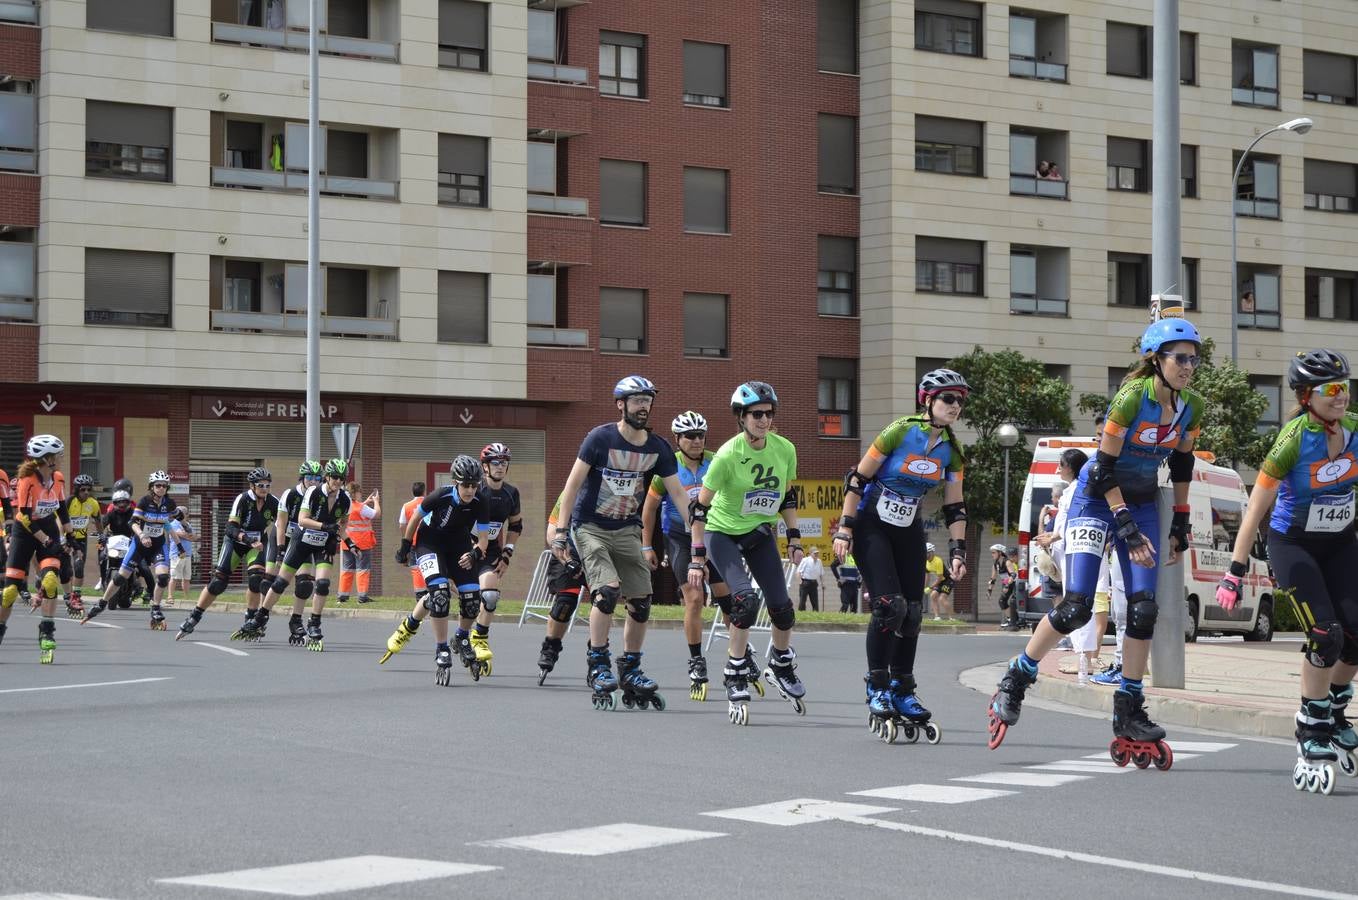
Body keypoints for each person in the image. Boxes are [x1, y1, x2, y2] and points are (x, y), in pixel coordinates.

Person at [988, 315, 1205, 770]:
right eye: (1180, 358)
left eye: (1194, 358)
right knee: (1077, 607)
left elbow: (1182, 467)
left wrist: (1180, 522)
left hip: (1143, 499)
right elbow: (1103, 469)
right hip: (1094, 498)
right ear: (1155, 359)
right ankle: (1016, 677)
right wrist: (1123, 524)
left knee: (1144, 608)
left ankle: (1129, 706)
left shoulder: (1191, 407)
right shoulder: (1130, 400)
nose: (1189, 366)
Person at [1217, 350, 1358, 794]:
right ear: (1305, 397)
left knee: (1356, 635)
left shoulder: (1354, 431)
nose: (1341, 396)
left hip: (1339, 542)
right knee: (1325, 634)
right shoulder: (1294, 438)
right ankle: (1311, 725)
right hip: (1292, 543)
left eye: (1345, 387)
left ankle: (1334, 707)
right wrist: (1235, 570)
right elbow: (1256, 505)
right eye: (1330, 390)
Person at [835, 368, 968, 744]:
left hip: (908, 523)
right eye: (948, 399)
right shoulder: (899, 431)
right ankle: (876, 684)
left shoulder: (952, 451)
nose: (955, 406)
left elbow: (955, 508)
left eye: (959, 400)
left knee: (912, 611)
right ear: (927, 401)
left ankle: (902, 689)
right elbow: (857, 479)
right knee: (888, 606)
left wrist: (957, 550)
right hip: (871, 523)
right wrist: (845, 528)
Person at [553, 375, 695, 711]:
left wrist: (702, 534)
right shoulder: (599, 439)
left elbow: (677, 494)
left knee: (641, 600)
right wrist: (561, 531)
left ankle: (630, 667)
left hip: (627, 529)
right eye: (637, 400)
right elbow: (572, 486)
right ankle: (598, 662)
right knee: (607, 592)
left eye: (648, 400)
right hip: (590, 527)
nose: (643, 406)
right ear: (621, 404)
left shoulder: (657, 447)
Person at [689, 380, 806, 725]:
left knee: (783, 608)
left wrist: (795, 538)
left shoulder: (784, 449)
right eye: (756, 414)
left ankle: (781, 663)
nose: (764, 420)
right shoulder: (727, 455)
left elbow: (786, 497)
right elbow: (699, 508)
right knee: (744, 601)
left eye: (769, 414)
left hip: (759, 532)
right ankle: (735, 669)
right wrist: (697, 557)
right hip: (721, 533)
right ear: (741, 417)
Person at [641, 410, 732, 701]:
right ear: (677, 439)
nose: (696, 441)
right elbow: (649, 509)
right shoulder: (668, 467)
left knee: (729, 599)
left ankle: (739, 654)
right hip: (679, 537)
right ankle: (696, 662)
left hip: (713, 534)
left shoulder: (716, 461)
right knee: (695, 598)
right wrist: (647, 545)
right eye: (690, 436)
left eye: (701, 436)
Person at [381, 455, 491, 684]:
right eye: (465, 485)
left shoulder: (481, 501)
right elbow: (414, 520)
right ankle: (441, 648)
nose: (470, 490)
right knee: (439, 595)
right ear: (455, 482)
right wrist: (404, 546)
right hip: (429, 543)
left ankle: (461, 637)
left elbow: (483, 539)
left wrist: (475, 554)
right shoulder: (439, 496)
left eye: (474, 485)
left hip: (459, 546)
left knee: (472, 600)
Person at [238, 459, 352, 647]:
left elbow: (341, 525)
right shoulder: (293, 494)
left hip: (318, 541)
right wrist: (281, 550)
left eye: (316, 477)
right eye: (309, 477)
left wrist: (345, 541)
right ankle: (259, 617)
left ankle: (304, 621)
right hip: (290, 537)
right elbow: (283, 524)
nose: (313, 481)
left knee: (314, 584)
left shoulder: (343, 498)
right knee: (273, 581)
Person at [176, 468, 277, 641]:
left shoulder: (273, 502)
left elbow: (282, 524)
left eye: (267, 485)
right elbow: (230, 528)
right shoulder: (243, 499)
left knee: (256, 579)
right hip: (236, 542)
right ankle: (194, 616)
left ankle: (251, 619)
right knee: (218, 582)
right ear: (252, 486)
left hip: (258, 542)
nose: (264, 488)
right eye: (260, 485)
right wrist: (246, 539)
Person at [1, 435, 71, 663]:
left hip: (48, 527)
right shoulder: (27, 480)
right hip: (26, 531)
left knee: (50, 581)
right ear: (47, 459)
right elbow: (24, 515)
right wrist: (45, 540)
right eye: (58, 455)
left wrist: (70, 536)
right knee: (10, 591)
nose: (61, 459)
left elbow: (61, 509)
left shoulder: (58, 478)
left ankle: (47, 631)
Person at [86, 470, 177, 630]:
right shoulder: (144, 501)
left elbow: (172, 520)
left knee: (163, 577)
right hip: (139, 544)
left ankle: (155, 608)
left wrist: (180, 539)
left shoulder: (169, 504)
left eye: (164, 486)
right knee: (121, 577)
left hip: (158, 545)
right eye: (158, 485)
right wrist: (142, 535)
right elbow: (133, 522)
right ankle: (101, 603)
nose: (161, 488)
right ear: (152, 487)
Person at [463, 443, 522, 677]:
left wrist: (507, 552)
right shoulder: (474, 491)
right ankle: (461, 636)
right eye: (495, 462)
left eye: (504, 462)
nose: (500, 467)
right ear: (485, 467)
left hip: (491, 554)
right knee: (468, 602)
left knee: (489, 596)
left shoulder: (511, 493)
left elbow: (516, 525)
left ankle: (479, 637)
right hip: (464, 550)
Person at [536, 490, 589, 685]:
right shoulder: (570, 493)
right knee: (565, 603)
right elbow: (551, 532)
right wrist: (566, 560)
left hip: (598, 551)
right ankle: (550, 646)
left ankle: (598, 655)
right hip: (568, 552)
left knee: (604, 600)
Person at [63, 473, 101, 619]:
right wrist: (62, 539)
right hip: (66, 538)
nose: (86, 492)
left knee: (79, 566)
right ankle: (66, 594)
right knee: (66, 569)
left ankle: (76, 595)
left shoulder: (93, 503)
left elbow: (98, 520)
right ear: (77, 489)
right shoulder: (69, 501)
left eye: (88, 490)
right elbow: (60, 520)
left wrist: (101, 536)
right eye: (83, 490)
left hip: (81, 539)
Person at [337, 481, 379, 603]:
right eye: (359, 492)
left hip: (347, 543)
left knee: (347, 569)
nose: (361, 494)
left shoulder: (345, 506)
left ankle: (342, 596)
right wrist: (376, 501)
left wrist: (365, 502)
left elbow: (356, 510)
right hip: (362, 543)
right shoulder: (362, 508)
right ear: (354, 493)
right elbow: (376, 514)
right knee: (363, 569)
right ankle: (362, 596)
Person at [396, 481, 428, 609]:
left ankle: (420, 594)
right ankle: (429, 591)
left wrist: (406, 539)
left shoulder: (407, 506)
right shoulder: (428, 503)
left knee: (415, 568)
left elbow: (402, 524)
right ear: (424, 491)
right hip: (427, 542)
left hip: (413, 541)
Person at [166, 507, 196, 606]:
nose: (185, 515)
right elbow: (181, 534)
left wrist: (188, 535)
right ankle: (170, 597)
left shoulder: (188, 525)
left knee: (187, 578)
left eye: (185, 513)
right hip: (177, 554)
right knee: (174, 577)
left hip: (187, 554)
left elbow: (194, 537)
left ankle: (187, 597)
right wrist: (188, 535)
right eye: (182, 513)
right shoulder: (174, 524)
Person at [988, 543, 1020, 629]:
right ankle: (1011, 619)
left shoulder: (1007, 562)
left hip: (1013, 583)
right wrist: (989, 590)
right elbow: (993, 578)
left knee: (1013, 601)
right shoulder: (995, 564)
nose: (992, 555)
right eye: (992, 553)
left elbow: (1013, 575)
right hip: (1006, 584)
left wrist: (1006, 586)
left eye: (994, 552)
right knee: (1002, 601)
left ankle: (1016, 620)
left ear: (1000, 553)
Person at [797, 547, 824, 612]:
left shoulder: (819, 561)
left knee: (815, 601)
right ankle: (801, 613)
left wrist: (822, 584)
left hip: (814, 583)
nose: (816, 554)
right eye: (815, 553)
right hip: (805, 582)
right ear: (810, 553)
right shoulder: (805, 560)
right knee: (802, 600)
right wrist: (800, 582)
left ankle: (815, 614)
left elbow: (821, 574)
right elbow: (798, 572)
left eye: (817, 553)